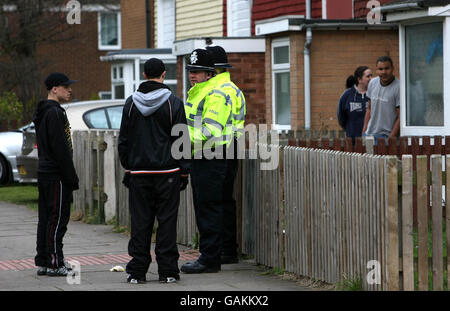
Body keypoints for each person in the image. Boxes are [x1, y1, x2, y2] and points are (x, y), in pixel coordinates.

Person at [118, 58, 190, 284]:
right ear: (163, 74)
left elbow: (124, 140)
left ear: (144, 73)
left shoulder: (130, 103)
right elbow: (181, 139)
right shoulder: (174, 103)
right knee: (166, 222)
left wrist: (128, 167)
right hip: (167, 172)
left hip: (139, 174)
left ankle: (136, 272)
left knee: (140, 223)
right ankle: (168, 272)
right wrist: (184, 171)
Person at [180, 48, 233, 274]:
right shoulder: (199, 92)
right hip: (202, 155)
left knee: (208, 208)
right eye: (191, 70)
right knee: (204, 207)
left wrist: (178, 134)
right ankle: (209, 256)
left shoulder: (215, 95)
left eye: (198, 71)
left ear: (209, 73)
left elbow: (210, 131)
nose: (193, 75)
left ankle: (210, 259)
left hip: (211, 155)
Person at [34, 72, 79, 277]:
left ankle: (44, 260)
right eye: (65, 86)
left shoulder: (45, 111)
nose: (69, 90)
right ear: (54, 89)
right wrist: (71, 177)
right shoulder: (54, 113)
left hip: (45, 172)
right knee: (57, 219)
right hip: (56, 174)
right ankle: (54, 262)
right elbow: (60, 148)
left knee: (46, 218)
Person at [206, 45, 246, 264]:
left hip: (219, 147)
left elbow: (213, 127)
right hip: (233, 146)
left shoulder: (219, 92)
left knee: (215, 201)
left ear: (213, 70)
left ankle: (222, 250)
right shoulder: (234, 89)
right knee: (225, 200)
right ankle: (228, 249)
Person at [362, 56, 400, 143]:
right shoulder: (372, 83)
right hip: (369, 134)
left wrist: (391, 138)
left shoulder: (399, 87)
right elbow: (369, 109)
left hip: (386, 136)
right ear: (376, 70)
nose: (384, 72)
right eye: (380, 69)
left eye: (387, 68)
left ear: (392, 68)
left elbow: (400, 117)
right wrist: (364, 131)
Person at [337, 66, 373, 144]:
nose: (371, 78)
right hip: (352, 141)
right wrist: (350, 129)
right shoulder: (346, 95)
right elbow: (341, 118)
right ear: (359, 79)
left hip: (372, 140)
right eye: (368, 76)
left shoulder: (375, 94)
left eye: (371, 76)